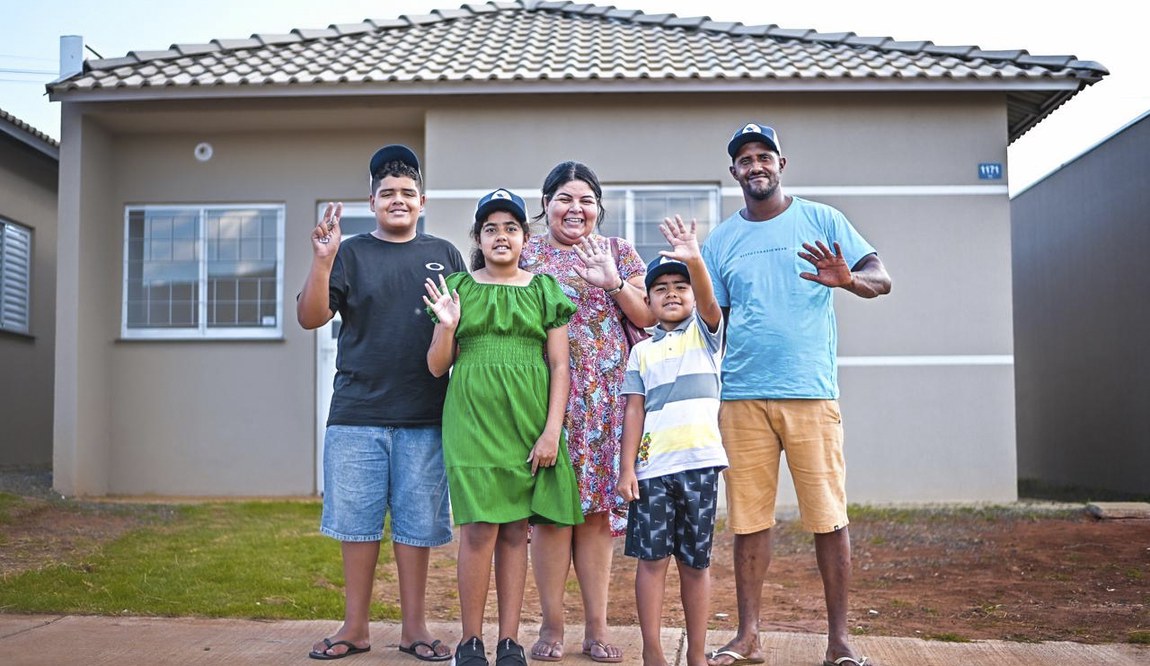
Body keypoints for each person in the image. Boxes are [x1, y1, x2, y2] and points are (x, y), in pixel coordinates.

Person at [701, 122, 892, 666]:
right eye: (745, 159)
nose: (756, 165)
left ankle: (839, 641)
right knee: (747, 521)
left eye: (765, 156)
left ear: (781, 165)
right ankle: (748, 637)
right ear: (734, 171)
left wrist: (849, 281)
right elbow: (713, 321)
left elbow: (882, 278)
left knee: (829, 517)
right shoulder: (721, 241)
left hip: (809, 392)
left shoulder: (822, 220)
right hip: (741, 396)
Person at [297, 144, 466, 661]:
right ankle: (355, 627)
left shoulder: (445, 254)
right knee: (357, 524)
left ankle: (415, 629)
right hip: (357, 415)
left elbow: (460, 331)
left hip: (425, 416)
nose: (398, 200)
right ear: (371, 201)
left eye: (407, 193)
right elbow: (310, 317)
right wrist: (322, 261)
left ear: (422, 201)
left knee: (417, 529)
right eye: (387, 192)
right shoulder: (349, 253)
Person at [423, 189, 583, 666]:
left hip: (528, 423)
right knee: (477, 530)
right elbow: (436, 366)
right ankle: (470, 641)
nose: (501, 236)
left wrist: (551, 430)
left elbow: (560, 365)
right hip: (472, 423)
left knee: (515, 531)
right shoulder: (458, 288)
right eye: (490, 228)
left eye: (511, 228)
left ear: (524, 238)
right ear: (477, 238)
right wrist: (447, 325)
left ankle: (509, 640)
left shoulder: (543, 289)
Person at [519, 161, 656, 663]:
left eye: (586, 200)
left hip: (605, 403)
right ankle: (551, 625)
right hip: (543, 401)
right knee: (550, 516)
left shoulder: (618, 251)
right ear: (546, 205)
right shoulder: (527, 253)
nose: (575, 209)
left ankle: (597, 628)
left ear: (599, 207)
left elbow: (650, 314)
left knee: (597, 516)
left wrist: (615, 283)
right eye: (564, 199)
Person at [616, 215, 729, 666]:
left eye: (680, 286)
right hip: (652, 472)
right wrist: (627, 469)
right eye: (660, 288)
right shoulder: (640, 351)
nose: (672, 293)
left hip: (699, 466)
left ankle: (697, 654)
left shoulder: (707, 336)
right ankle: (653, 652)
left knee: (695, 564)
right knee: (651, 562)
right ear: (647, 300)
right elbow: (634, 411)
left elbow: (709, 301)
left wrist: (694, 259)